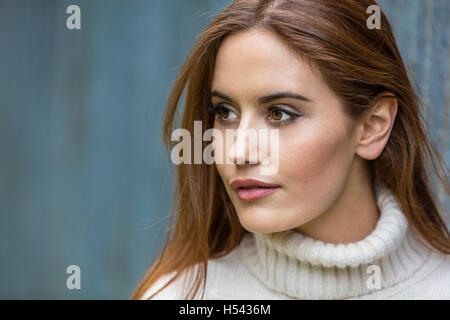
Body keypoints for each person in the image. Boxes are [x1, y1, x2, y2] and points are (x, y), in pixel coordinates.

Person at [131, 0, 450, 300]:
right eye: (225, 112)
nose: (239, 153)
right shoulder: (180, 295)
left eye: (279, 114)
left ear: (372, 126)